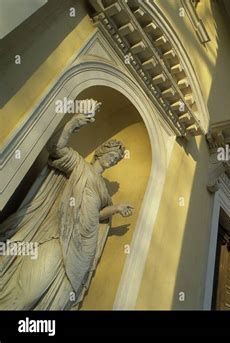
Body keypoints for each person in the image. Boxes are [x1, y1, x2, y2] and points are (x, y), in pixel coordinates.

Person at [0, 104, 133, 310]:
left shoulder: (104, 191)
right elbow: (56, 148)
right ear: (101, 152)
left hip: (83, 247)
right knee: (29, 291)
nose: (113, 160)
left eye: (116, 160)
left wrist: (115, 209)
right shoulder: (79, 165)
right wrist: (74, 123)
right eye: (112, 155)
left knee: (56, 301)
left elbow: (98, 214)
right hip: (60, 236)